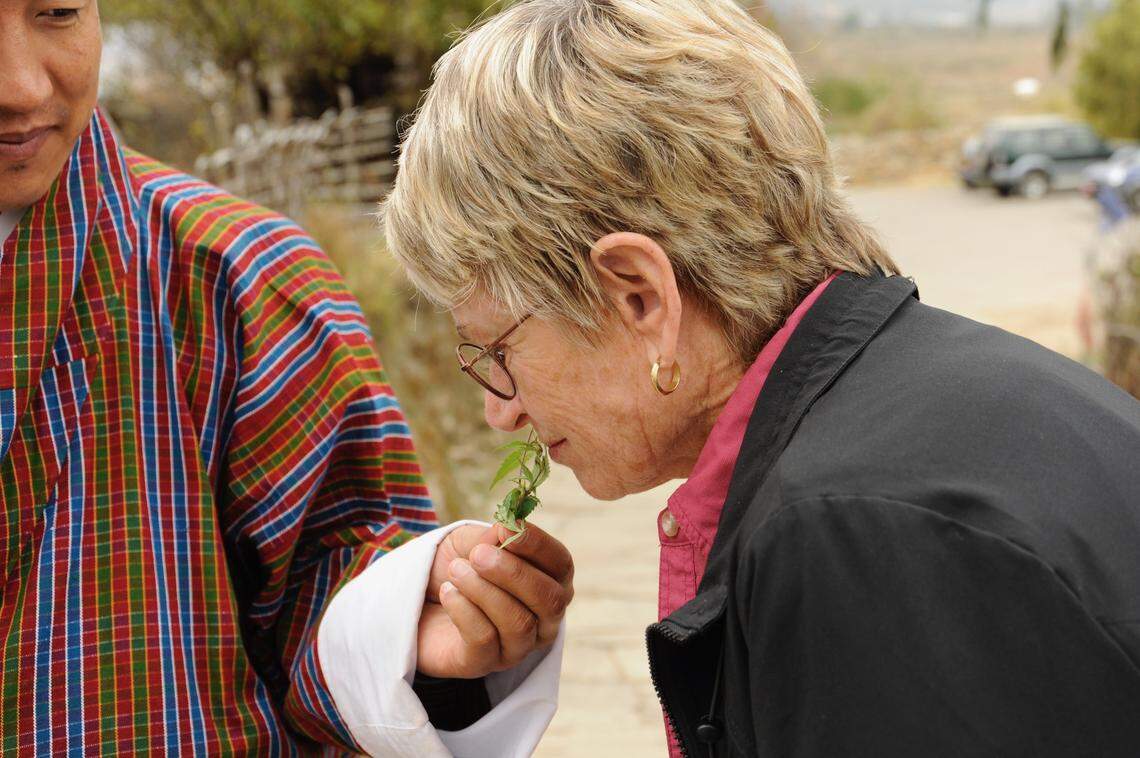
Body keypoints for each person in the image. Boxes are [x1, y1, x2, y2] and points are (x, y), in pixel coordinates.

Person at [382, 0, 1140, 755]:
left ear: (640, 296)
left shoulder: (845, 541)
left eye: (498, 352)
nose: (498, 413)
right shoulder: (956, 394)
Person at [0, 1, 570, 755]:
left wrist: (401, 618)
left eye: (59, 12)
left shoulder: (241, 278)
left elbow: (336, 566)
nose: (20, 85)